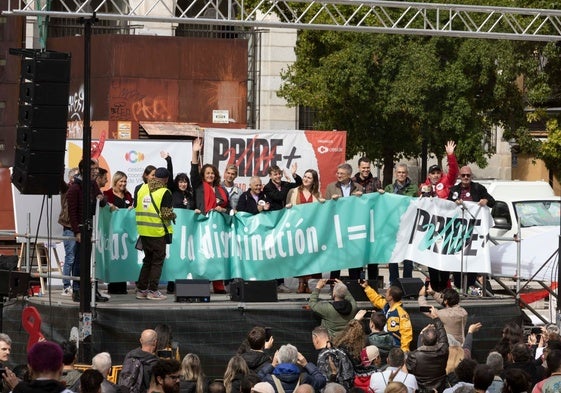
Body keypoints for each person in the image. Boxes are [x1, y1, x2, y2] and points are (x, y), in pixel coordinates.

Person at [448, 166, 496, 293]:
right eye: (463, 175)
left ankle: (470, 286)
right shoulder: (453, 190)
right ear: (459, 176)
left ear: (471, 176)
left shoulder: (478, 188)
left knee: (473, 260)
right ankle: (458, 286)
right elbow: (447, 207)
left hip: (475, 232)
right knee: (458, 260)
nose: (465, 178)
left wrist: (485, 200)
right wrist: (454, 204)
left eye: (468, 175)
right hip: (459, 232)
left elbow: (492, 202)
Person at [419, 141, 459, 291]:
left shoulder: (447, 182)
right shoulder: (423, 186)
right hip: (431, 229)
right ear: (429, 175)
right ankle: (435, 286)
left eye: (438, 173)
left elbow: (454, 171)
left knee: (445, 257)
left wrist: (451, 156)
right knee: (432, 258)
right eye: (433, 173)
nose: (436, 175)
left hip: (445, 227)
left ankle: (445, 285)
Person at [190, 138, 229, 294]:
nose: (210, 175)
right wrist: (195, 152)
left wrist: (223, 210)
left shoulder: (221, 190)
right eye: (207, 173)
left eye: (212, 173)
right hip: (202, 226)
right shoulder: (199, 186)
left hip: (218, 229)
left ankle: (218, 284)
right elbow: (193, 171)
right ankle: (201, 285)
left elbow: (229, 208)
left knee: (217, 255)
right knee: (202, 255)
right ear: (203, 175)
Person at [67, 159, 108, 303]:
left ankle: (92, 290)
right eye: (93, 169)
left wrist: (101, 198)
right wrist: (77, 231)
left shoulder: (93, 185)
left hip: (93, 228)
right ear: (84, 170)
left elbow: (102, 202)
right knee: (79, 261)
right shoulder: (75, 188)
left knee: (93, 262)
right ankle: (77, 290)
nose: (96, 172)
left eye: (96, 169)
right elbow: (72, 212)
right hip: (82, 229)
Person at [135, 167, 175, 301]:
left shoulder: (142, 188)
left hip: (143, 231)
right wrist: (173, 214)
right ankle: (153, 290)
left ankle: (141, 290)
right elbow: (165, 214)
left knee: (147, 260)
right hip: (157, 232)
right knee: (157, 262)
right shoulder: (165, 192)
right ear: (166, 179)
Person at [263, 163, 302, 293]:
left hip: (285, 223)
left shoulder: (285, 184)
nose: (278, 176)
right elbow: (279, 197)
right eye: (275, 174)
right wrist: (288, 183)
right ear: (270, 176)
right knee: (273, 253)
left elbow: (298, 184)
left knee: (281, 253)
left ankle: (281, 282)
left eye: (279, 173)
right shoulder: (267, 188)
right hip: (273, 223)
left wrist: (294, 175)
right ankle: (273, 282)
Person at [286, 169, 324, 293]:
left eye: (309, 177)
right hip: (297, 228)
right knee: (299, 256)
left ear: (314, 181)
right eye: (305, 176)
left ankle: (307, 283)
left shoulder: (317, 195)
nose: (306, 179)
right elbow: (286, 209)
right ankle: (300, 283)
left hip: (311, 229)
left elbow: (321, 212)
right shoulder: (294, 191)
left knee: (309, 256)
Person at [325, 163, 363, 281]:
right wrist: (332, 201)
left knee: (353, 257)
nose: (339, 176)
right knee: (336, 259)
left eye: (342, 174)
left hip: (352, 226)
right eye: (338, 173)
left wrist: (361, 198)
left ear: (349, 175)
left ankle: (354, 285)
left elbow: (363, 208)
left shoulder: (358, 187)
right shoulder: (331, 187)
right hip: (337, 226)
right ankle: (334, 285)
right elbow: (326, 207)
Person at [351, 157, 384, 284]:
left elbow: (380, 201)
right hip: (357, 223)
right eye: (363, 167)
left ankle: (373, 284)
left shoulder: (376, 182)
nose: (365, 170)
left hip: (372, 224)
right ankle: (355, 283)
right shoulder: (352, 182)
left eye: (368, 167)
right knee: (356, 255)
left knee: (372, 257)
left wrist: (381, 195)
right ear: (359, 167)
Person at [384, 163, 418, 285]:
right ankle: (394, 281)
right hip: (393, 227)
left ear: (407, 174)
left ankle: (407, 281)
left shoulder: (414, 189)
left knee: (408, 256)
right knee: (393, 255)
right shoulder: (389, 188)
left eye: (403, 172)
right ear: (395, 174)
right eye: (399, 172)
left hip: (408, 226)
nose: (401, 174)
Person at [103, 170, 134, 295]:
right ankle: (113, 286)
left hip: (125, 233)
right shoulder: (107, 194)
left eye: (125, 181)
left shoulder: (128, 195)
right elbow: (103, 208)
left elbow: (131, 210)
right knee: (113, 259)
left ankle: (122, 286)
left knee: (124, 260)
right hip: (112, 232)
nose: (123, 183)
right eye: (121, 181)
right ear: (115, 181)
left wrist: (131, 209)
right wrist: (108, 206)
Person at [406, 309, 449, 393]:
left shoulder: (414, 356)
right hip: (439, 388)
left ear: (422, 340)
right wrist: (436, 318)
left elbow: (408, 371)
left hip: (421, 389)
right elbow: (442, 333)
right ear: (437, 340)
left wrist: (422, 333)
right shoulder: (443, 350)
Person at [360, 282, 413, 352]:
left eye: (387, 292)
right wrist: (367, 287)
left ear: (390, 297)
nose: (385, 293)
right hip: (384, 344)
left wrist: (404, 350)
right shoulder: (386, 306)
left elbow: (406, 333)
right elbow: (376, 299)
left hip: (395, 348)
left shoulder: (402, 313)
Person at [257, 344, 326, 393]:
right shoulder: (304, 378)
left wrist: (272, 365)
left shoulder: (269, 379)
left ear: (278, 359)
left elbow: (258, 377)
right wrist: (306, 364)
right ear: (296, 360)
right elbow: (321, 380)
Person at [58, 167, 79, 297]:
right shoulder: (67, 189)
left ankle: (76, 286)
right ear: (71, 178)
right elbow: (60, 182)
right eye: (76, 176)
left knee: (77, 259)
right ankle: (66, 286)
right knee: (70, 258)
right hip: (69, 228)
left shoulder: (81, 190)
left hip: (79, 229)